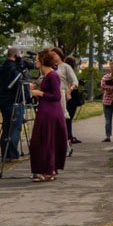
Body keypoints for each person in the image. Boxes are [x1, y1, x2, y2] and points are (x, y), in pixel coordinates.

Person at [27, 50, 67, 182]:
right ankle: (48, 169)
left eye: (38, 59)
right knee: (44, 140)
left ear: (43, 60)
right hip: (47, 110)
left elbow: (56, 96)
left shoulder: (52, 75)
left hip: (50, 111)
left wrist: (40, 93)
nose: (36, 61)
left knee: (46, 140)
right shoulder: (47, 76)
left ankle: (48, 170)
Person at [0, 47, 28, 160]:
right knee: (14, 128)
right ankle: (12, 155)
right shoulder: (14, 70)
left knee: (6, 127)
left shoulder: (2, 68)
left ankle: (5, 153)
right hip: (14, 101)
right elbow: (18, 85)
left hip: (3, 101)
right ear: (17, 55)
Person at [62, 54, 82, 145]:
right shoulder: (70, 71)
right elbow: (74, 83)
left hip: (65, 94)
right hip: (71, 95)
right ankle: (68, 136)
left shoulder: (63, 70)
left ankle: (68, 135)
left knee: (67, 116)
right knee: (69, 117)